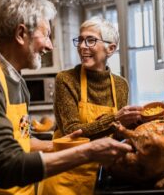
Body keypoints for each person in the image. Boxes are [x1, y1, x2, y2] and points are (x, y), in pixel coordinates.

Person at [0, 0, 132, 194]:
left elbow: (23, 141)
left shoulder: (17, 81)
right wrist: (88, 151)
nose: (50, 46)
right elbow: (6, 166)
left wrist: (59, 146)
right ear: (21, 34)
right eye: (47, 35)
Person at [45, 17, 143, 194]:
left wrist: (136, 123)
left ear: (110, 48)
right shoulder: (65, 79)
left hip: (103, 171)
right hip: (66, 173)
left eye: (90, 40)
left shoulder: (121, 85)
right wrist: (115, 118)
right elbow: (72, 131)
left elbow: (115, 133)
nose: (82, 46)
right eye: (80, 40)